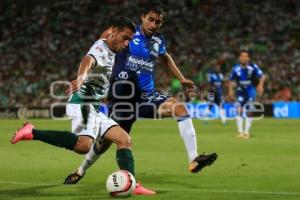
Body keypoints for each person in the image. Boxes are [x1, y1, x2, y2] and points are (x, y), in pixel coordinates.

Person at [64, 3, 217, 187]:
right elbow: (99, 47)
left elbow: (166, 57)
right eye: (151, 20)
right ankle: (81, 170)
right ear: (142, 17)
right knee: (103, 143)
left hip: (147, 95)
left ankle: (194, 158)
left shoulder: (158, 41)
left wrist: (182, 78)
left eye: (158, 22)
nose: (153, 25)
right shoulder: (126, 34)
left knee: (179, 108)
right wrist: (85, 76)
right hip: (122, 97)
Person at [10, 17, 153, 194]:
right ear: (114, 32)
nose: (127, 43)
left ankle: (131, 184)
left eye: (130, 40)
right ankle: (32, 132)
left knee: (124, 139)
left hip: (94, 105)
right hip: (83, 101)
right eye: (125, 38)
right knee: (83, 146)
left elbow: (108, 32)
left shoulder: (107, 40)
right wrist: (81, 78)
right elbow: (87, 60)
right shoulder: (101, 49)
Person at [228, 50, 265, 139]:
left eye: (246, 56)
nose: (244, 58)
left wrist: (260, 85)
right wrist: (230, 91)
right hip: (240, 91)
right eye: (242, 56)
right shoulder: (235, 68)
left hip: (250, 91)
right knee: (239, 110)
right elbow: (230, 80)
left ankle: (246, 132)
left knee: (249, 111)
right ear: (239, 58)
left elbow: (262, 76)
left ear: (248, 58)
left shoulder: (253, 67)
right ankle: (240, 132)